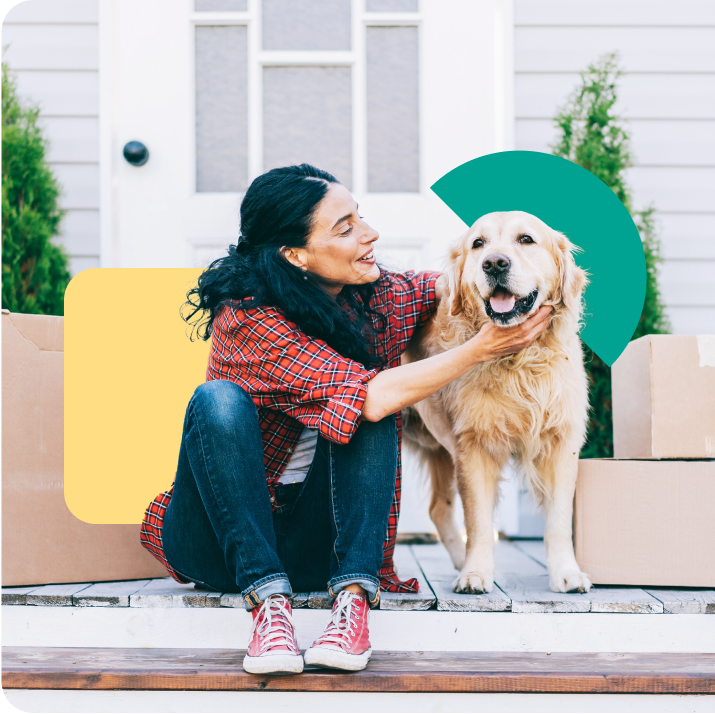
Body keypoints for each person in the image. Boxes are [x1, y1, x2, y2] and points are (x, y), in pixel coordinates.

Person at [140, 164, 553, 675]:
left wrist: (524, 277)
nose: (369, 234)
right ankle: (269, 608)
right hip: (218, 545)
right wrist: (480, 348)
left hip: (318, 545)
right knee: (219, 401)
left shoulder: (375, 297)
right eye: (345, 228)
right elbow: (368, 396)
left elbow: (452, 284)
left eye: (362, 217)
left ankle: (353, 604)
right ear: (296, 255)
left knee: (371, 401)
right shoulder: (247, 318)